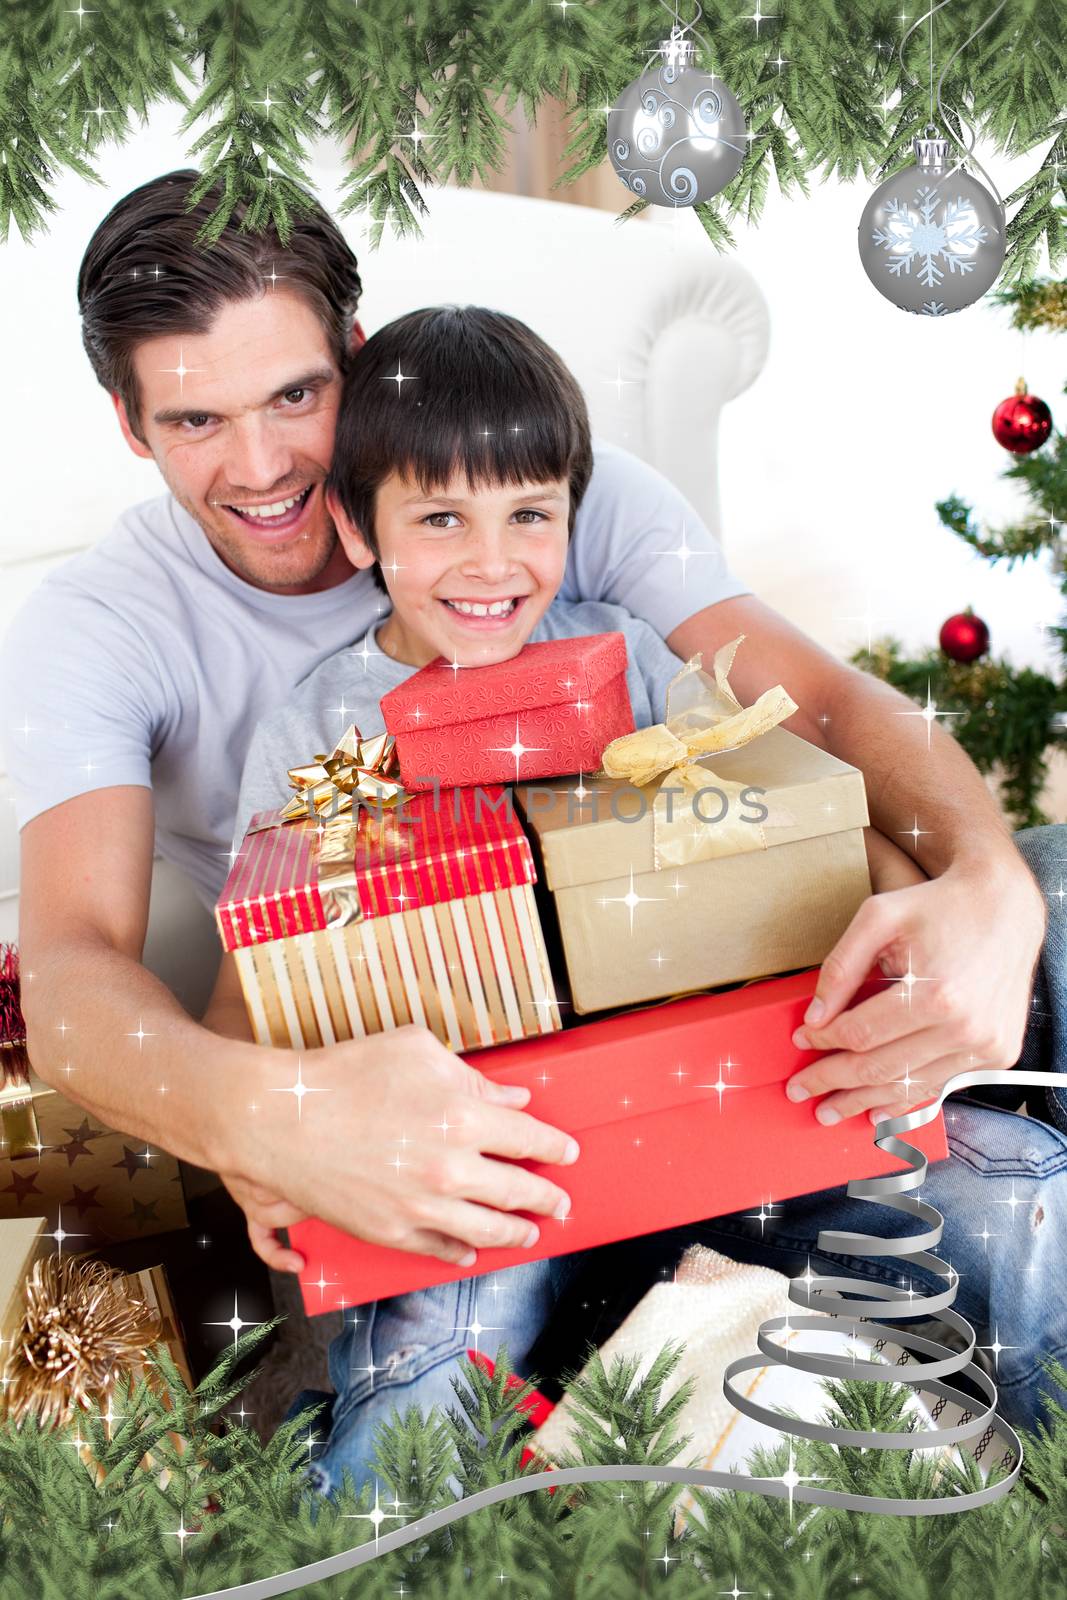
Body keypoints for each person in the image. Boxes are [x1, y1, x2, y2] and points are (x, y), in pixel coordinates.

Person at [1, 172, 1061, 1444]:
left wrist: (983, 892)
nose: (265, 462)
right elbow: (69, 973)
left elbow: (814, 713)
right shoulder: (101, 631)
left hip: (698, 1041)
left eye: (295, 394)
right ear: (128, 424)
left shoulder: (558, 492)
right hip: (463, 1111)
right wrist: (260, 1118)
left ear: (353, 351)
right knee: (437, 1387)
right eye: (195, 422)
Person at [207, 303, 1066, 1492]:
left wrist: (924, 926)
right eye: (439, 517)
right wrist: (262, 1133)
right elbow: (259, 977)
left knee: (1020, 1190)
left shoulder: (633, 656)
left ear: (573, 509)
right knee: (426, 1388)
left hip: (719, 1118)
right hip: (487, 1174)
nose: (491, 560)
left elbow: (798, 809)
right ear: (356, 527)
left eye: (528, 515)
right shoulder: (316, 728)